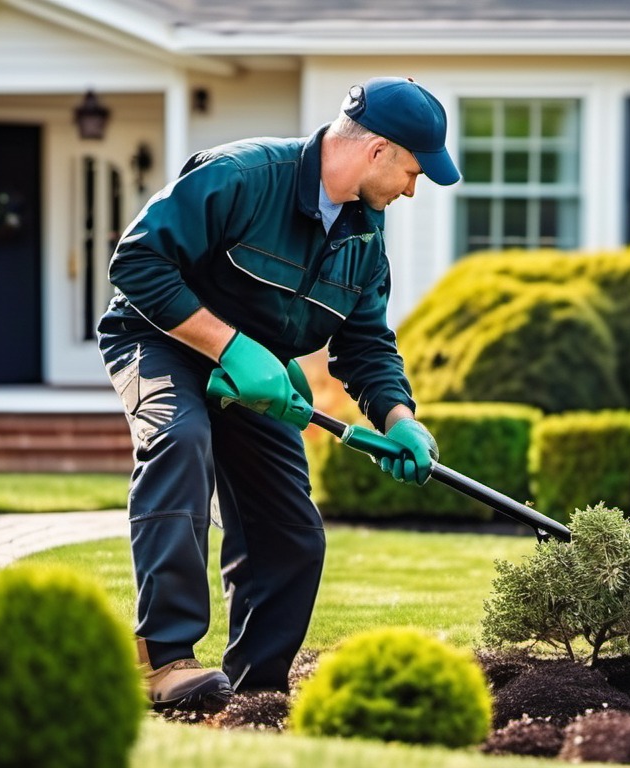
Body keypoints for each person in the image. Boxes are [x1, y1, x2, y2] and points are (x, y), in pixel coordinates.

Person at [97, 77, 459, 710]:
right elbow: (136, 262)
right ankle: (164, 658)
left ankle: (252, 690)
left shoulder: (364, 240)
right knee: (179, 441)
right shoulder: (241, 175)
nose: (410, 188)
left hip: (259, 382)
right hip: (158, 340)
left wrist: (400, 418)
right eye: (411, 171)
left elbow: (365, 344)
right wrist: (229, 345)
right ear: (376, 150)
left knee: (291, 531)